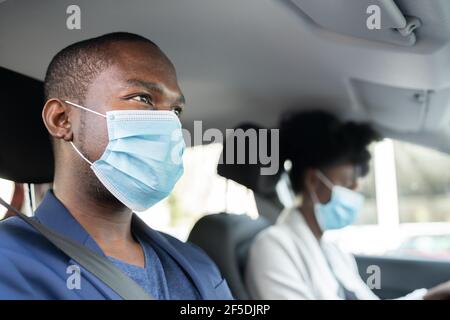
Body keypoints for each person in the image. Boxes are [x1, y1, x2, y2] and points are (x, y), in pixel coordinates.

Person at [0, 32, 233, 300]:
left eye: (176, 111)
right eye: (143, 98)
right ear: (62, 119)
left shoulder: (196, 263)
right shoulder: (9, 261)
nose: (169, 125)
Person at [245, 110, 450, 300]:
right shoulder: (274, 248)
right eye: (348, 185)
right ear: (313, 181)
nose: (355, 196)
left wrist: (428, 297)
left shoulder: (333, 251)